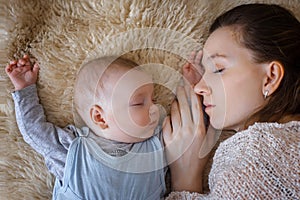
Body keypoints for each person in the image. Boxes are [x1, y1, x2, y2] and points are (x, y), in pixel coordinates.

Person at [163, 3, 300, 199]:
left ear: (270, 77)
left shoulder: (258, 154)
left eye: (218, 70)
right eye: (204, 72)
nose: (199, 88)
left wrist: (185, 177)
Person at [5, 55, 167, 199]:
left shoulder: (157, 144)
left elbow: (189, 129)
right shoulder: (73, 150)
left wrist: (190, 87)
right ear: (100, 117)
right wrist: (26, 90)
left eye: (153, 100)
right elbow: (34, 130)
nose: (154, 108)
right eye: (139, 103)